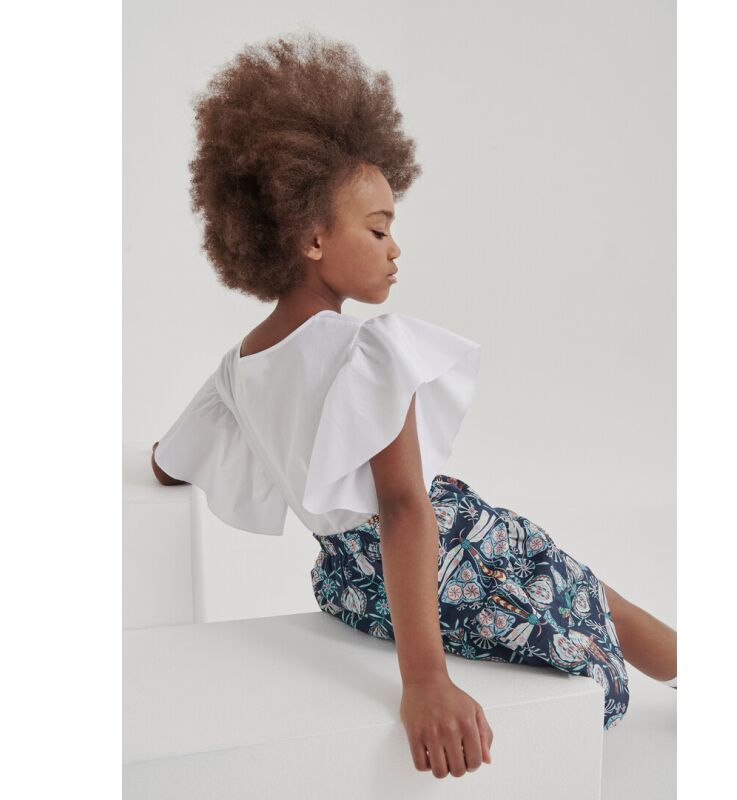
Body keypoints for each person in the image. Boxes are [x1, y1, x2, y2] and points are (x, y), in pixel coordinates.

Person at [150, 31, 677, 780]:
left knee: (573, 577)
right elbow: (404, 508)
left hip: (351, 587)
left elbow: (169, 463)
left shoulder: (237, 371)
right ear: (311, 237)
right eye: (379, 229)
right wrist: (424, 681)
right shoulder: (365, 351)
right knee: (585, 587)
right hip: (444, 556)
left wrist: (157, 463)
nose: (395, 248)